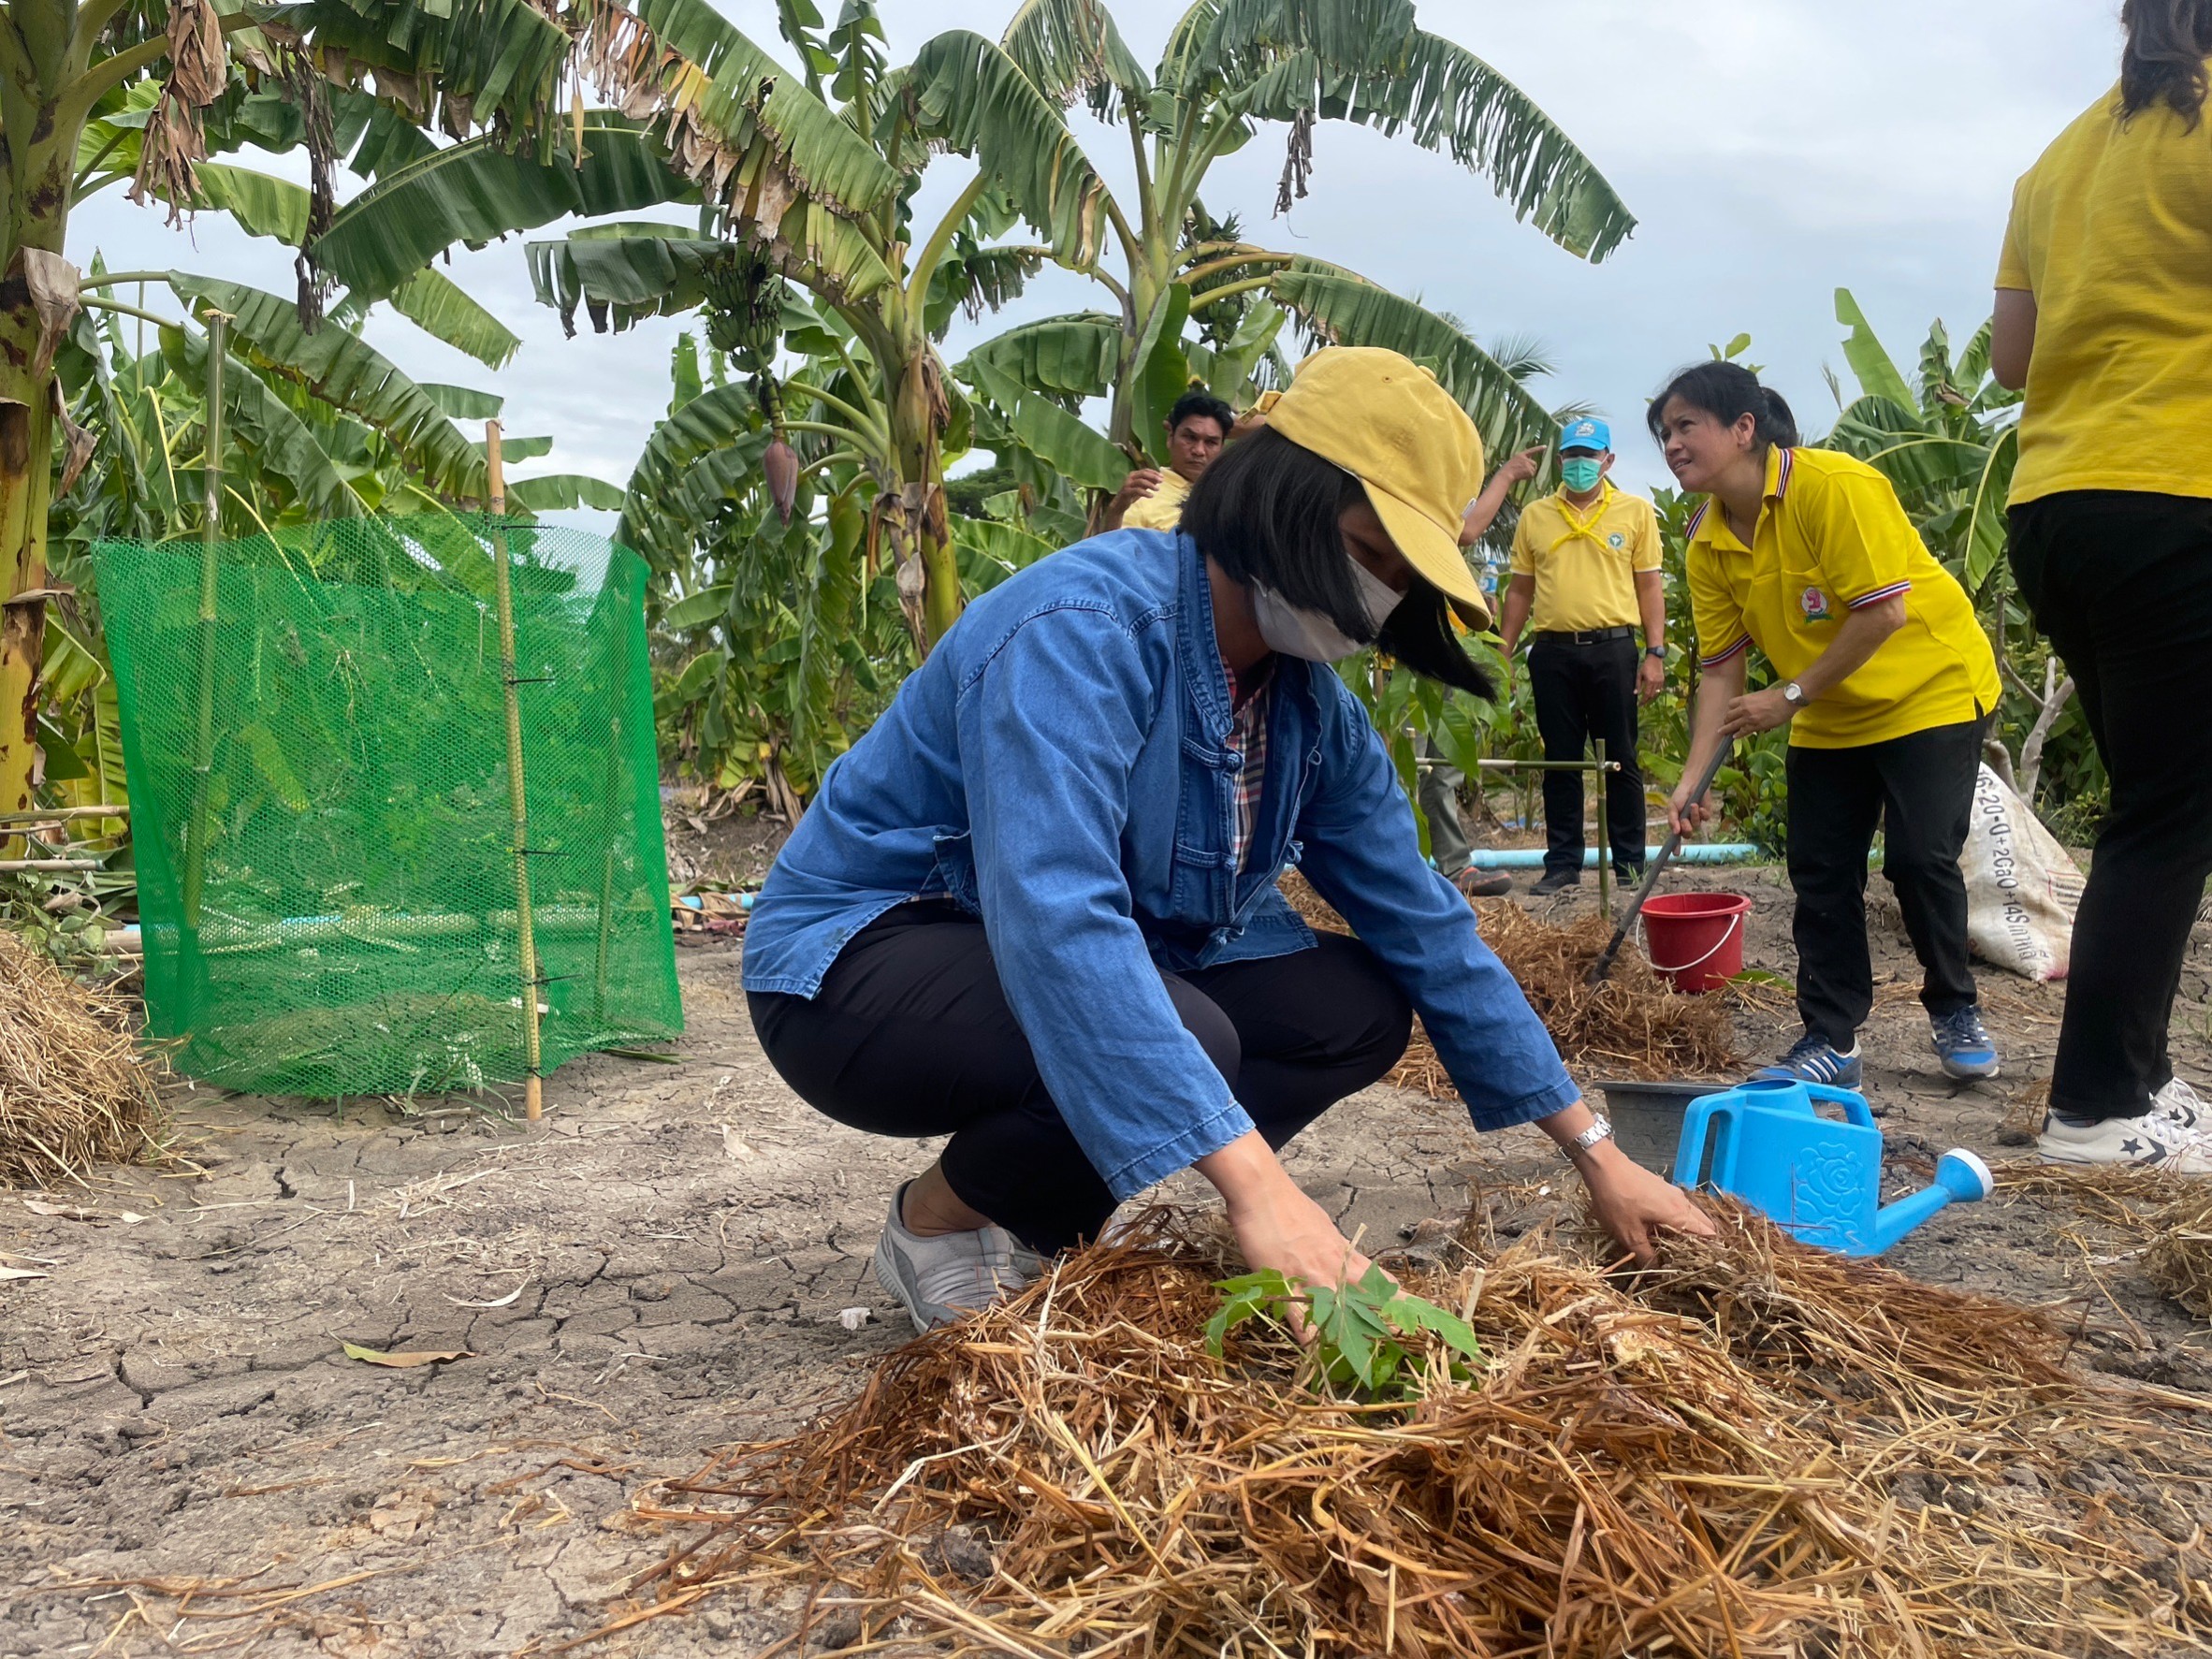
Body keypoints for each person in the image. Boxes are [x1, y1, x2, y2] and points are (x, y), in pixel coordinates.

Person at [743, 347, 1711, 1333]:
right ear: (1276, 497)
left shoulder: (1311, 714)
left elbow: (1430, 929)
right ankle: (937, 1223)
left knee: (1356, 1007)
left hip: (1043, 957)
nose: (1372, 597)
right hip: (860, 965)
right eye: (1363, 552)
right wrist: (1261, 1192)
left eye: (1395, 577)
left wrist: (1599, 1152)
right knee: (1189, 1032)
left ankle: (1036, 1216)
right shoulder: (1082, 626)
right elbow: (1058, 916)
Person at [1993, 0, 2212, 1171]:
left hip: (2058, 508)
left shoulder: (2060, 158)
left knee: (2156, 800)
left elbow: (2011, 357)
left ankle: (2140, 1077)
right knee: (2170, 812)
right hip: (2180, 492)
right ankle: (2098, 1108)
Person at [1655, 363, 2003, 1088]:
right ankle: (1832, 1035)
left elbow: (1883, 613)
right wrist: (1690, 781)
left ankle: (1954, 1006)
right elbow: (1721, 672)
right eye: (1664, 433)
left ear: (1743, 428)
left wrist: (1788, 695)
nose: (1672, 444)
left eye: (1687, 425)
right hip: (1828, 707)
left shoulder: (1833, 487)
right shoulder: (1706, 542)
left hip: (1928, 687)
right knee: (1819, 869)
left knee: (1918, 858)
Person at [1487, 418, 1666, 894]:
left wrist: (1655, 653)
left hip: (1615, 650)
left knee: (1621, 759)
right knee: (1560, 762)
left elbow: (1649, 585)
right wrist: (1502, 651)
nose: (1579, 464)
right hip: (1553, 654)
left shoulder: (1635, 512)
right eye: (1571, 455)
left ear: (1608, 460)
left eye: (1589, 455)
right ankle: (1563, 864)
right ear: (1560, 460)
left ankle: (1629, 864)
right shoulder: (1536, 516)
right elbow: (1519, 591)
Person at [1102, 389, 1237, 531]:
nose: (1199, 451)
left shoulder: (1231, 498)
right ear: (1170, 438)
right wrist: (1116, 511)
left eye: (1210, 442)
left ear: (1221, 448)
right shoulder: (1144, 493)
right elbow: (1112, 549)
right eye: (1190, 438)